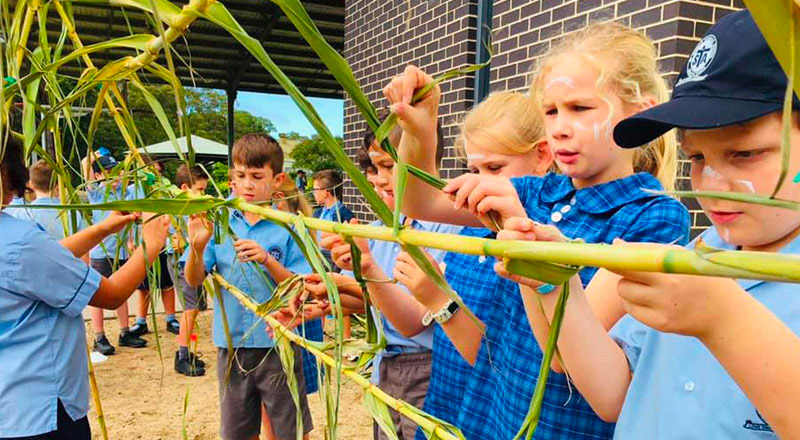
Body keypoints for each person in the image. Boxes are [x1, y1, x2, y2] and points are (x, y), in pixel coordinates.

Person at [498, 11, 800, 439]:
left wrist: (722, 318)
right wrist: (556, 287)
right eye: (696, 158)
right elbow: (612, 394)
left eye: (745, 153)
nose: (710, 185)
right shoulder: (699, 253)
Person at [382, 21, 689, 439]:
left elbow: (562, 355)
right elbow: (419, 202)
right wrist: (421, 129)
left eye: (580, 109)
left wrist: (524, 238)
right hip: (498, 417)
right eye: (550, 111)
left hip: (560, 427)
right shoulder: (540, 192)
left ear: (641, 115)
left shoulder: (654, 217)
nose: (560, 126)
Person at [378, 91, 553, 434]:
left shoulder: (543, 240)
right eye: (473, 169)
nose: (479, 180)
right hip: (452, 404)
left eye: (494, 168)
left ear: (542, 156)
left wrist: (438, 299)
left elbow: (506, 362)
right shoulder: (479, 227)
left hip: (495, 418)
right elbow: (417, 200)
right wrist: (420, 129)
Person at [0, 135, 170, 439]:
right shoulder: (20, 242)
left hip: (9, 407)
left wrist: (101, 229)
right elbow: (112, 294)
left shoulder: (15, 239)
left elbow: (44, 260)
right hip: (42, 409)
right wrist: (151, 244)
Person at [318, 111, 462, 440]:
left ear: (424, 158)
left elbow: (415, 319)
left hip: (430, 366)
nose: (378, 179)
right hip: (384, 364)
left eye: (388, 166)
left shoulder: (449, 231)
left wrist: (364, 271)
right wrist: (326, 293)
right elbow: (372, 302)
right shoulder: (379, 231)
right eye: (373, 168)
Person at [185, 133, 313, 440]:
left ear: (278, 179)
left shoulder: (292, 226)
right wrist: (197, 247)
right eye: (241, 176)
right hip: (232, 347)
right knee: (238, 430)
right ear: (232, 178)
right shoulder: (219, 221)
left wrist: (267, 259)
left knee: (289, 429)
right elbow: (193, 279)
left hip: (278, 344)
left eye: (257, 176)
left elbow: (303, 286)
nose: (248, 184)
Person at [84, 151, 148, 355]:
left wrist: (134, 158)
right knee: (97, 293)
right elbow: (85, 165)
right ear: (99, 176)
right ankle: (99, 336)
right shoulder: (96, 193)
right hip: (101, 251)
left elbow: (143, 182)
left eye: (118, 172)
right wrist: (93, 156)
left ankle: (124, 331)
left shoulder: (126, 193)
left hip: (121, 251)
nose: (116, 177)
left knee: (121, 292)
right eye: (109, 172)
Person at [129, 156, 180, 337]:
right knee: (144, 285)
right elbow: (126, 215)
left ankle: (171, 318)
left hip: (163, 244)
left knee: (167, 283)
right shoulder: (132, 191)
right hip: (142, 244)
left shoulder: (164, 190)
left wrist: (174, 234)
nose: (154, 175)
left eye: (158, 172)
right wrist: (130, 239)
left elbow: (172, 215)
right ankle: (140, 321)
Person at [171, 164, 210, 377]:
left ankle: (188, 348)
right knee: (190, 309)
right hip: (181, 262)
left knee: (195, 309)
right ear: (185, 187)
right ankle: (183, 355)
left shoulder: (193, 209)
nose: (203, 194)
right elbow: (174, 239)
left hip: (193, 260)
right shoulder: (179, 210)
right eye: (200, 190)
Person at [27, 160, 86, 239]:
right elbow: (83, 246)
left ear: (31, 184)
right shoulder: (72, 214)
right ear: (59, 185)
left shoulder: (24, 213)